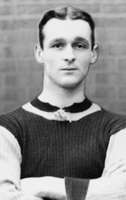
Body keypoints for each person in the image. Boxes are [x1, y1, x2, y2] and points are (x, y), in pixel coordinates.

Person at [0, 5, 126, 200]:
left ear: (93, 53)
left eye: (80, 45)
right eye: (58, 45)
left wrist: (43, 185)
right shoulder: (7, 129)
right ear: (39, 52)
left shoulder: (117, 130)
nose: (69, 56)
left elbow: (122, 191)